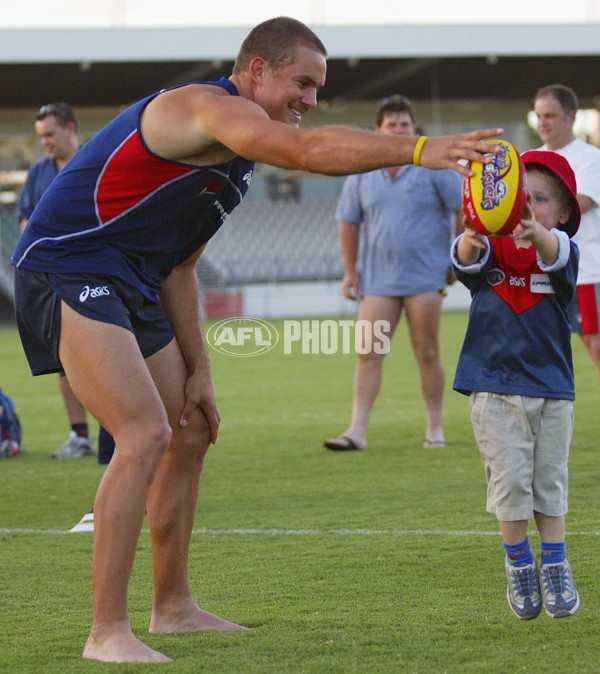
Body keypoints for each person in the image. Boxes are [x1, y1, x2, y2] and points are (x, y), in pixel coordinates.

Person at [11, 16, 504, 663]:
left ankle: (174, 608)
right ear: (256, 72)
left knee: (187, 428)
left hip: (138, 279)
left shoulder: (235, 160)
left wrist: (200, 372)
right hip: (66, 265)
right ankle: (105, 631)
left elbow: (182, 268)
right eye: (302, 82)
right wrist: (418, 149)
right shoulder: (205, 109)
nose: (310, 99)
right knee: (143, 433)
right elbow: (304, 153)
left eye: (317, 88)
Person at [452, 150, 581, 620]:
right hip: (493, 387)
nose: (528, 207)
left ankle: (555, 562)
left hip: (552, 388)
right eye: (522, 196)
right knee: (510, 483)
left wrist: (537, 233)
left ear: (564, 212)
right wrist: (471, 232)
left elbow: (555, 253)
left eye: (541, 200)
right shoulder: (491, 246)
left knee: (549, 480)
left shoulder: (563, 251)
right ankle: (518, 563)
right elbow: (464, 259)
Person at [323, 95, 461, 452]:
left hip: (426, 279)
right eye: (392, 125)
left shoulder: (434, 167)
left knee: (427, 352)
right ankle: (356, 430)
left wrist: (457, 258)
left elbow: (461, 211)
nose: (399, 130)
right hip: (378, 281)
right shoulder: (363, 171)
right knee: (368, 352)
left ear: (414, 129)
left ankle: (434, 429)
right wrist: (350, 270)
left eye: (404, 124)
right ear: (378, 131)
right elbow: (348, 221)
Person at [17, 102, 94, 459]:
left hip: (95, 271)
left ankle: (121, 431)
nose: (45, 142)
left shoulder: (95, 161)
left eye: (50, 134)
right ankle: (79, 435)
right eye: (41, 137)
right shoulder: (38, 173)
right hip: (53, 275)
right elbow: (25, 221)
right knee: (65, 357)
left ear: (70, 128)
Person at [533, 84, 600, 380]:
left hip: (584, 269)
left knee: (595, 345)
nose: (543, 122)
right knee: (540, 348)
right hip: (538, 269)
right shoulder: (531, 159)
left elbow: (578, 206)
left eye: (550, 115)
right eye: (539, 116)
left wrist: (530, 215)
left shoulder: (590, 157)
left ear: (570, 117)